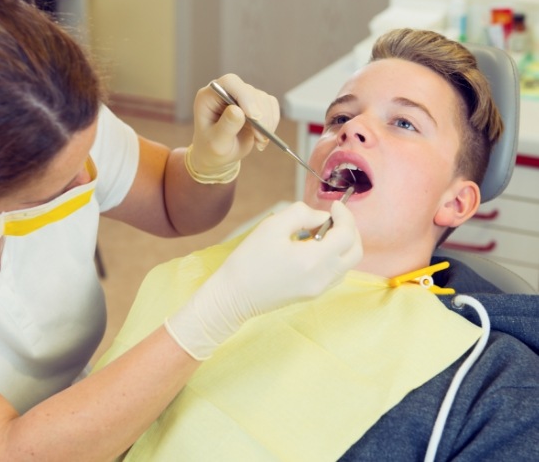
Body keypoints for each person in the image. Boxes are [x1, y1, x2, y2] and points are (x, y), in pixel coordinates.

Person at [95, 28, 539, 461]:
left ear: (456, 202)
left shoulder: (493, 380)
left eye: (404, 122)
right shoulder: (230, 271)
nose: (353, 129)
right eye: (340, 118)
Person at [0, 0, 363, 460]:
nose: (88, 176)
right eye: (60, 181)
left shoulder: (55, 114)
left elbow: (173, 206)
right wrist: (217, 311)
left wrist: (208, 162)